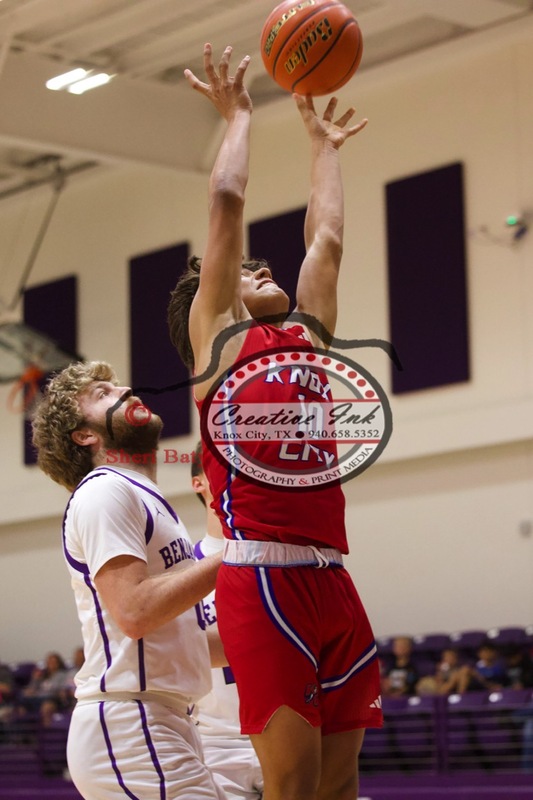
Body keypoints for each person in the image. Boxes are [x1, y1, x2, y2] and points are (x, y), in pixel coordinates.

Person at [167, 44, 382, 800]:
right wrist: (240, 117)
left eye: (266, 268)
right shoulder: (218, 340)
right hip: (259, 578)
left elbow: (326, 240)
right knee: (290, 784)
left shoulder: (307, 337)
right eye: (247, 271)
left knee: (340, 782)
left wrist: (321, 149)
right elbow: (226, 203)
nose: (262, 272)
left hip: (332, 576)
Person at [32, 360, 226, 800]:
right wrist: (245, 553)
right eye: (102, 393)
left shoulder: (144, 496)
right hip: (131, 722)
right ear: (85, 435)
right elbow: (135, 612)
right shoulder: (104, 490)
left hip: (164, 720)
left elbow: (182, 640)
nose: (125, 389)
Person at [191, 440, 264, 800]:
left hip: (282, 727)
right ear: (198, 482)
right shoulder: (179, 570)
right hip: (213, 740)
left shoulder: (276, 556)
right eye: (218, 467)